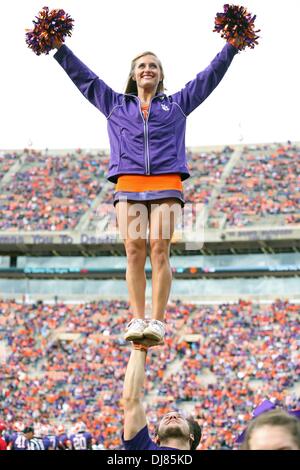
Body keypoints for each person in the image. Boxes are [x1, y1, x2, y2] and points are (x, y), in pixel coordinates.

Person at [52, 26, 242, 344]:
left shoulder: (177, 105)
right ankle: (137, 318)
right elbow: (85, 80)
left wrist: (231, 47)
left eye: (153, 66)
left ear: (160, 75)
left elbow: (208, 77)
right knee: (133, 251)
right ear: (134, 75)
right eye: (142, 66)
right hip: (128, 185)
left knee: (159, 249)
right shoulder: (115, 105)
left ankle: (158, 321)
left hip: (167, 184)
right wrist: (60, 49)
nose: (147, 69)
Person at [122, 341, 201, 450]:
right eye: (166, 418)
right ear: (157, 438)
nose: (172, 416)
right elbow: (131, 399)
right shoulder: (144, 448)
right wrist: (139, 347)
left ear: (191, 436)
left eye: (179, 417)